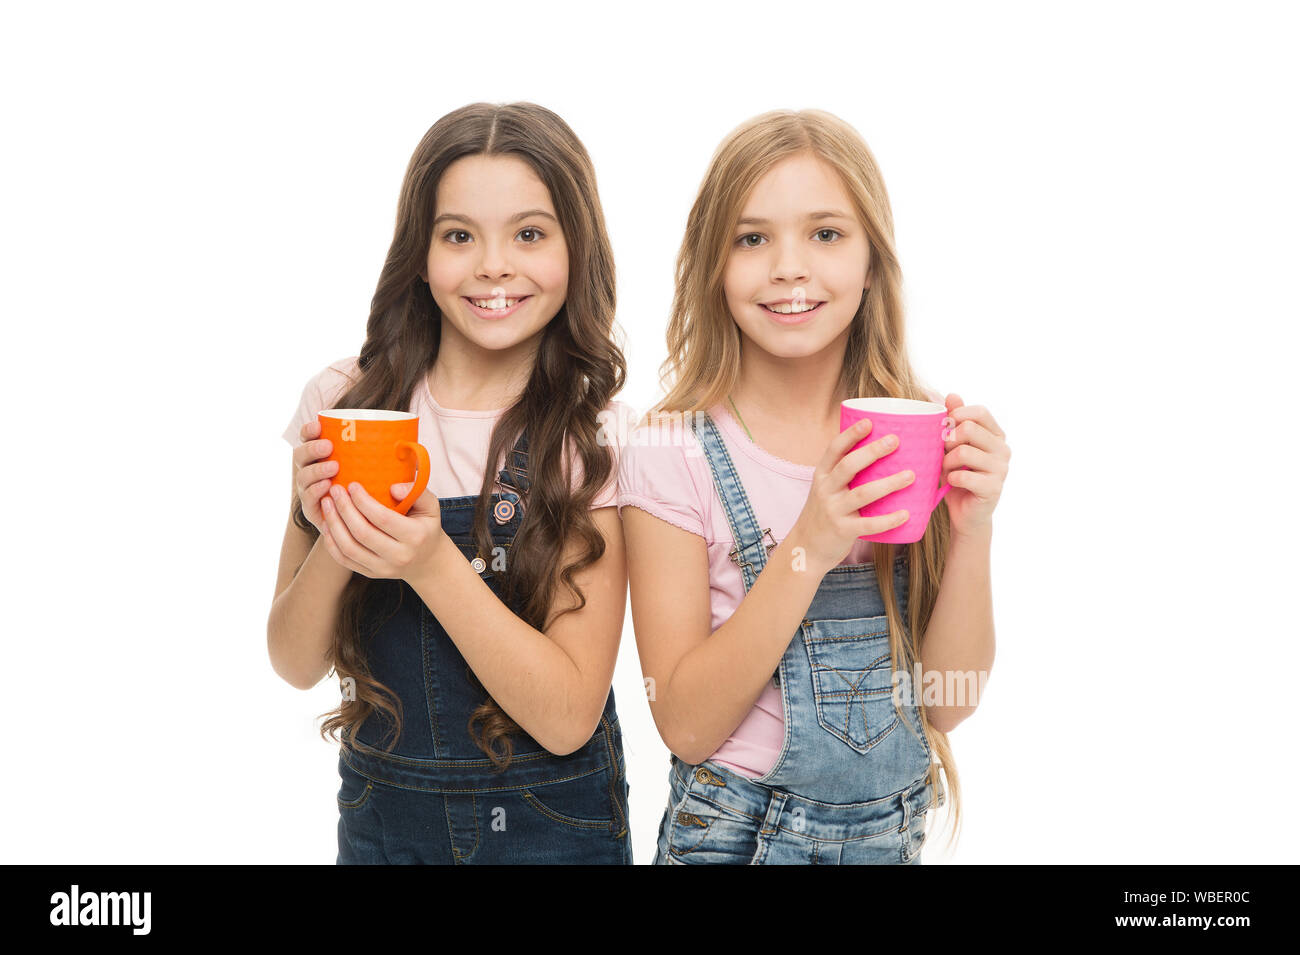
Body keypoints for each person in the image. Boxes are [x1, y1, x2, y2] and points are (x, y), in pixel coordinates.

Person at [618, 109, 1011, 864]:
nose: (788, 267)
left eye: (825, 234)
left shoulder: (917, 437)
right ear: (713, 264)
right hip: (733, 837)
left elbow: (946, 702)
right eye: (752, 237)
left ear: (871, 262)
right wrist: (809, 544)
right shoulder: (672, 451)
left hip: (887, 839)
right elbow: (688, 726)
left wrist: (974, 528)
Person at [269, 102, 633, 864]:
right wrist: (334, 531)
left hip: (552, 823)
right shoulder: (347, 404)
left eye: (529, 234)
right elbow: (293, 660)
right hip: (383, 823)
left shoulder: (591, 434)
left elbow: (568, 716)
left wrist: (431, 562)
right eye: (459, 235)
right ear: (421, 251)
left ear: (577, 248)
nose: (493, 265)